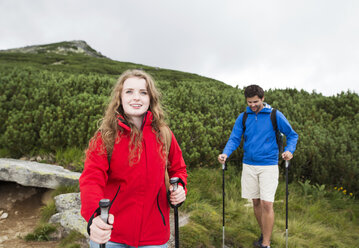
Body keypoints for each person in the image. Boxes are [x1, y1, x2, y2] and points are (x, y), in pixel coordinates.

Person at [80, 69, 188, 248]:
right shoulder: (105, 137)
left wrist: (180, 188)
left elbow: (178, 169)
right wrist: (94, 216)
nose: (136, 97)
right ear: (120, 98)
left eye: (143, 92)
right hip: (111, 233)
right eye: (129, 92)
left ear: (151, 98)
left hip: (154, 236)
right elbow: (91, 179)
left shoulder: (164, 135)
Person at [218, 85, 298, 248]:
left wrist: (289, 150)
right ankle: (265, 233)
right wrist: (225, 153)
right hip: (249, 165)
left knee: (267, 203)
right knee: (255, 202)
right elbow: (234, 138)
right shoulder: (244, 117)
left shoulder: (274, 115)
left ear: (262, 98)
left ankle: (266, 244)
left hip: (268, 165)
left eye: (255, 102)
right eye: (249, 102)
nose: (253, 105)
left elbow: (292, 135)